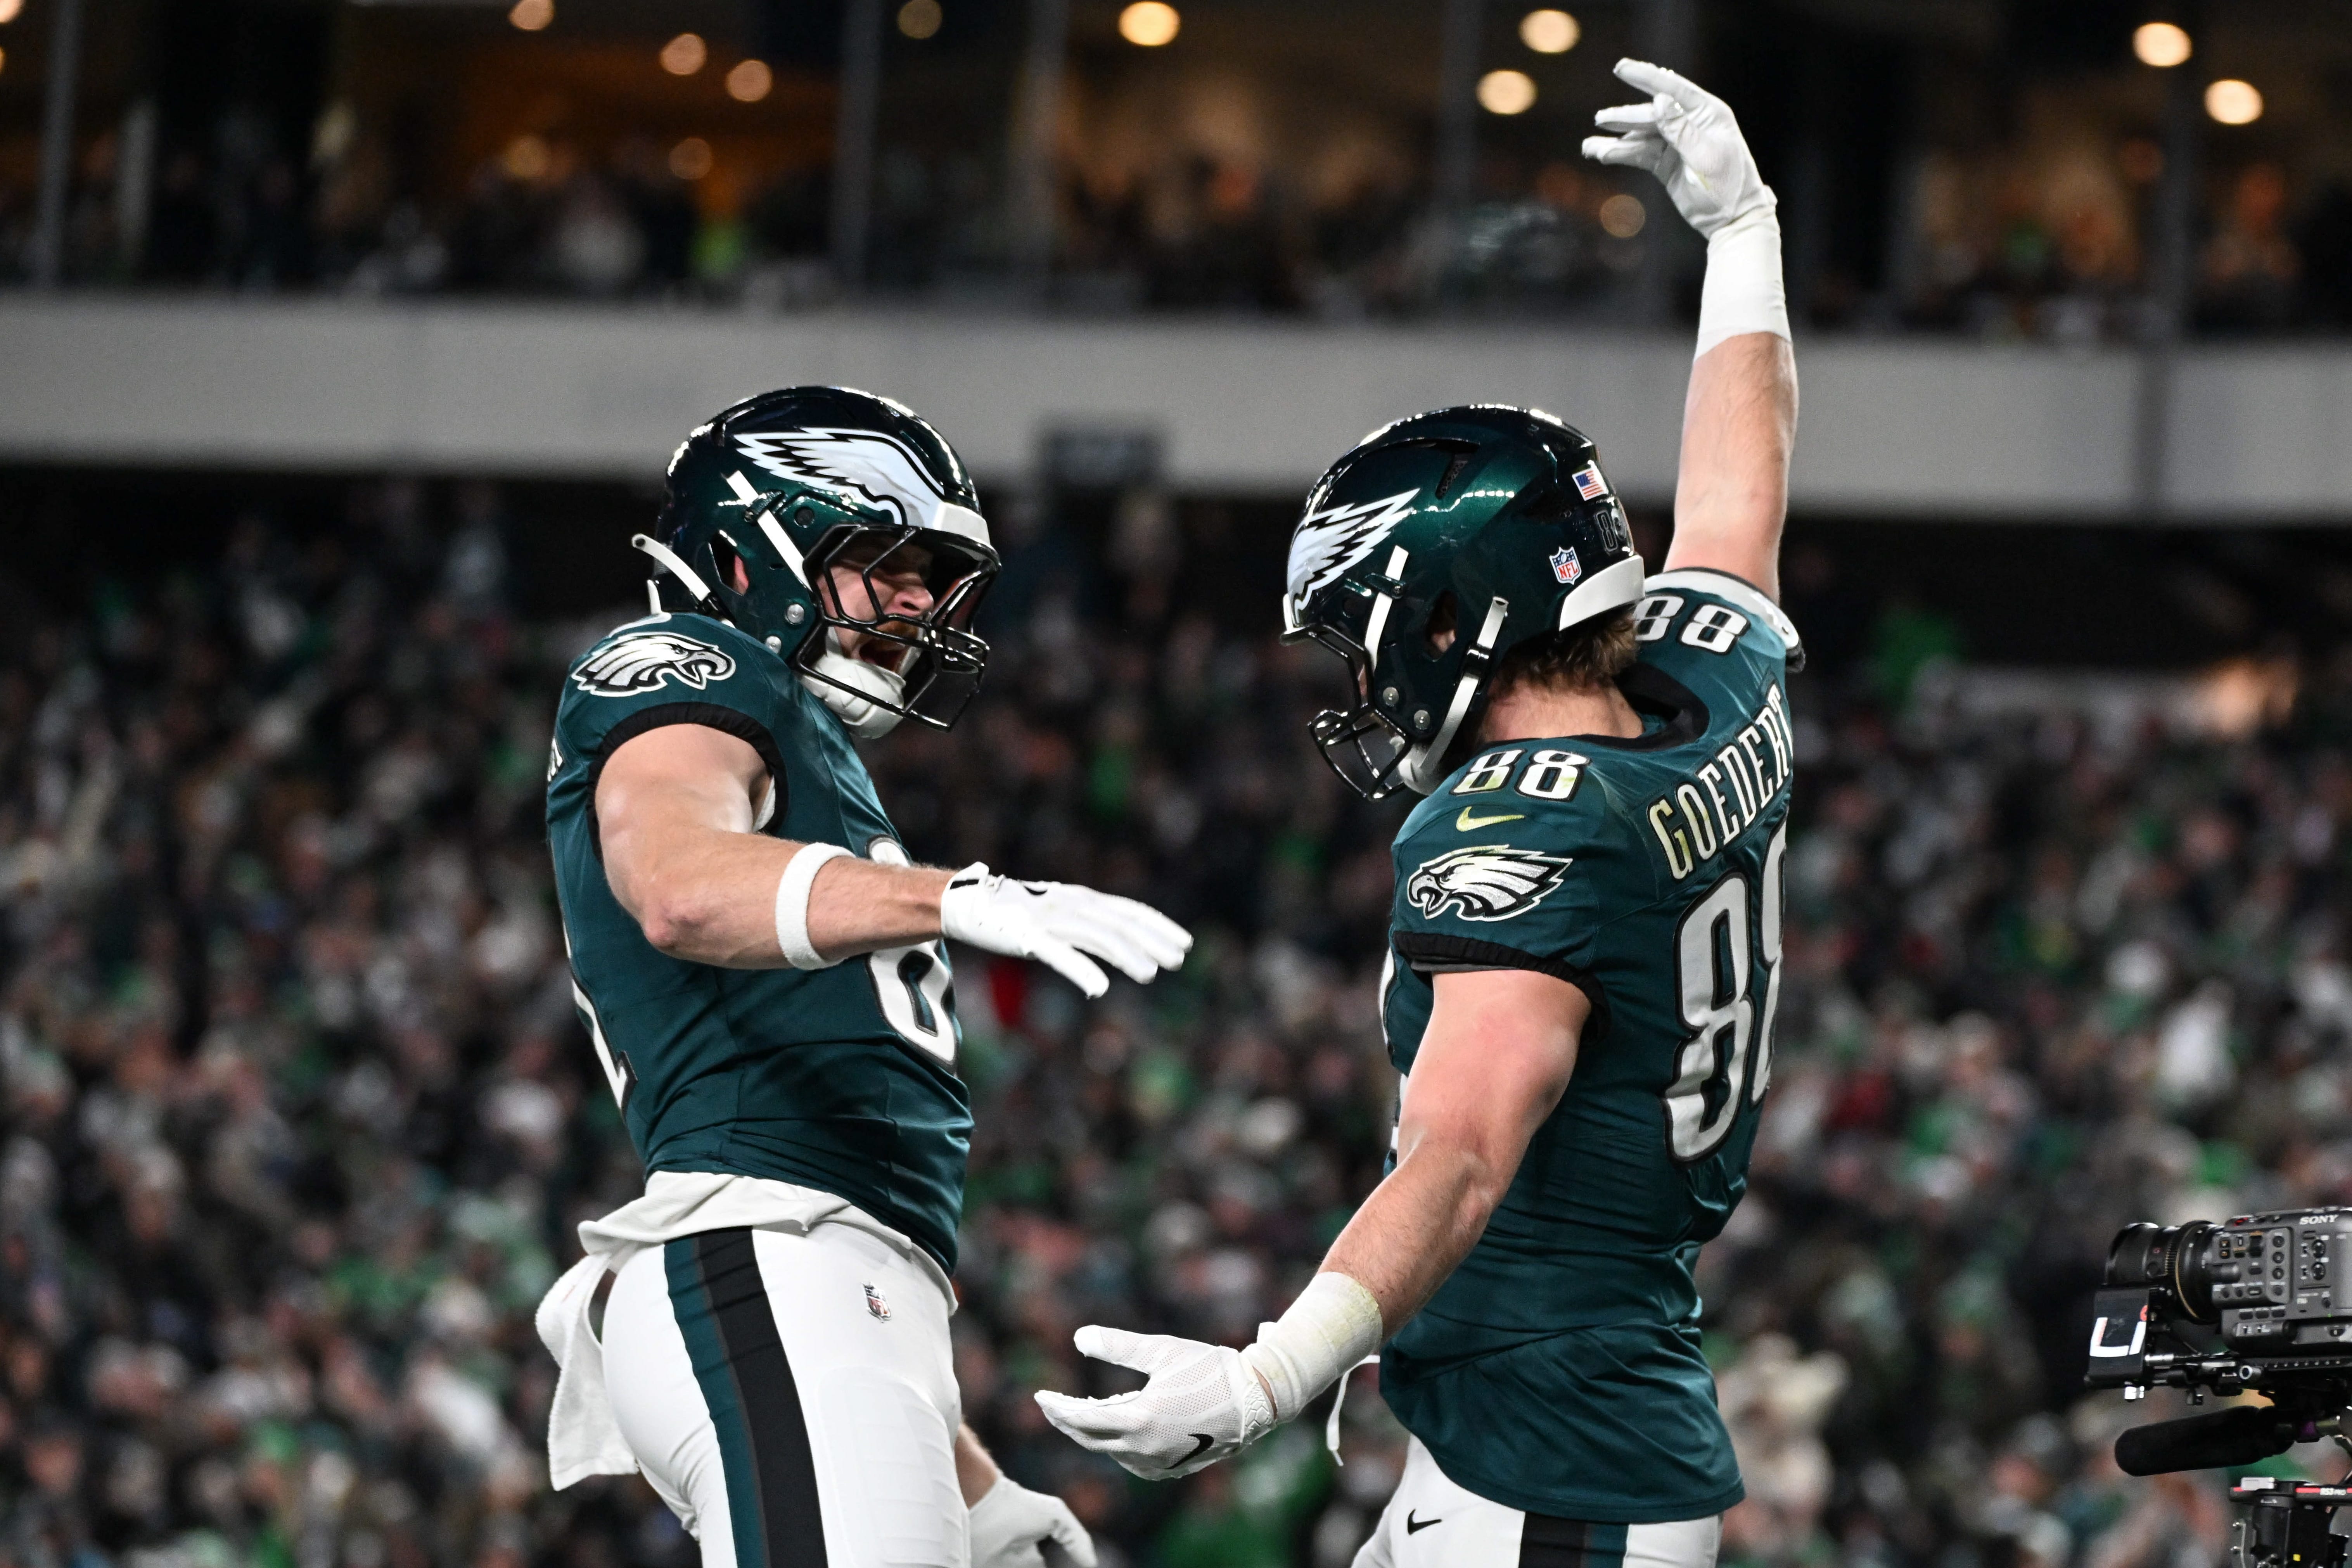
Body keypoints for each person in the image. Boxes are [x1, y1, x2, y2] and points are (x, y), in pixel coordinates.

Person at [1034, 60, 1800, 1568]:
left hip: (1554, 1472)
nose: (1365, 680)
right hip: (1561, 1423)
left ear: (1457, 620)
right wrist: (1745, 235)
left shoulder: (1523, 827)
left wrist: (1270, 1373)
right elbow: (1733, 499)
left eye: (1367, 636)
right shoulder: (1715, 681)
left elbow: (1458, 1148)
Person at [533, 386, 1193, 1568]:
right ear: (746, 554)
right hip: (763, 1264)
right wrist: (953, 895)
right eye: (886, 561)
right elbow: (680, 882)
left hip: (833, 1294)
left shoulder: (799, 732)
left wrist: (964, 1472)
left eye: (932, 574)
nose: (919, 601)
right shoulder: (679, 666)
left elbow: (852, 1228)